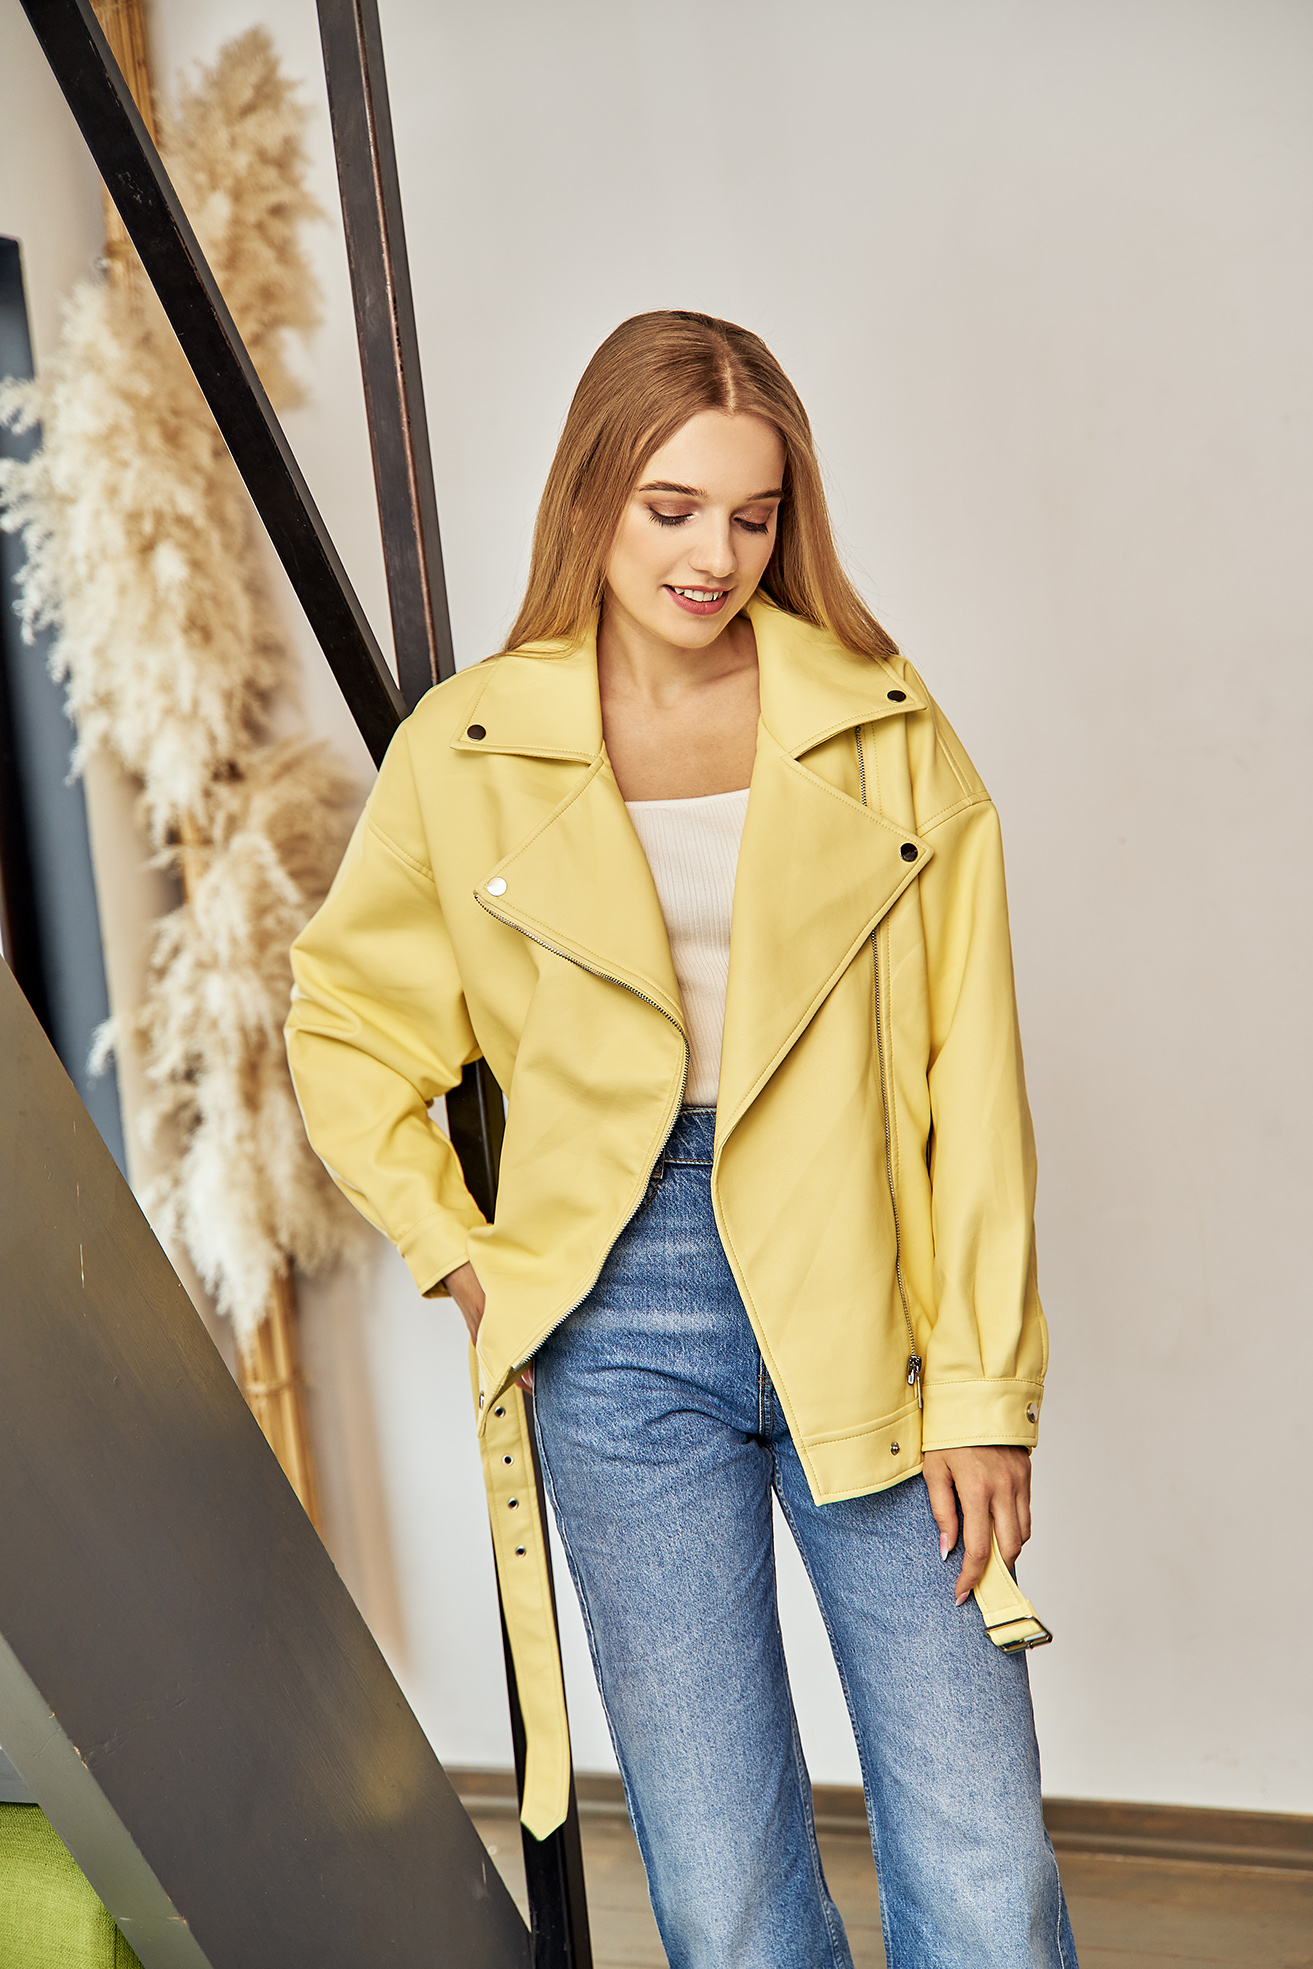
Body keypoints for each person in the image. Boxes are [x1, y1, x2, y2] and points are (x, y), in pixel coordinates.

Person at [286, 310, 1078, 1968]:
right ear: (591, 495)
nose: (713, 555)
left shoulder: (882, 728)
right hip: (612, 1308)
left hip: (867, 1290)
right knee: (719, 1889)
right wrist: (466, 1261)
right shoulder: (470, 748)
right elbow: (351, 1025)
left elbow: (972, 1081)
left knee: (984, 1865)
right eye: (671, 508)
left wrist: (981, 1389)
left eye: (752, 514)